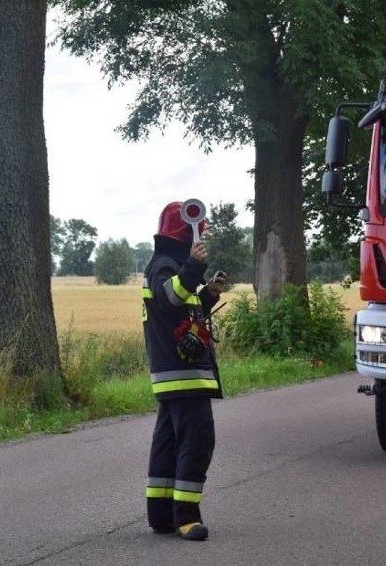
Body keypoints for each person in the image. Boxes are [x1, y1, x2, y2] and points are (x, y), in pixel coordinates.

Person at [142, 201, 227, 541]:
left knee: (168, 443)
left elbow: (183, 312)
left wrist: (208, 293)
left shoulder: (169, 264)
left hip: (176, 375)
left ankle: (161, 515)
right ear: (181, 233)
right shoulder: (164, 266)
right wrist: (193, 267)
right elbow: (168, 300)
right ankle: (187, 517)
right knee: (197, 440)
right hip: (182, 374)